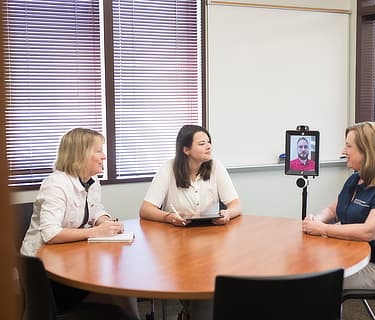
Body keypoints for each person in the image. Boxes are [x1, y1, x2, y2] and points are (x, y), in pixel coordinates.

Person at [20, 128, 139, 319]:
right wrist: (96, 232)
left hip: (68, 258)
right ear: (81, 154)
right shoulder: (56, 185)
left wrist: (106, 223)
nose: (104, 156)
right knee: (119, 289)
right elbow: (50, 234)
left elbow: (95, 210)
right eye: (98, 151)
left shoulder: (91, 181)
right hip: (46, 272)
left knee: (122, 285)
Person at [140, 124, 242, 320]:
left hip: (210, 240)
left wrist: (227, 213)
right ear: (185, 150)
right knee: (184, 279)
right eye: (202, 143)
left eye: (209, 142)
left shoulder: (215, 166)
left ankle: (191, 312)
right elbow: (146, 209)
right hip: (176, 242)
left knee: (210, 278)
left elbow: (236, 205)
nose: (209, 147)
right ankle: (189, 311)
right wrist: (168, 217)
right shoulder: (168, 168)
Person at [302, 121, 375, 290]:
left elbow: (370, 231)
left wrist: (323, 229)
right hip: (353, 255)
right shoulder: (356, 179)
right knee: (307, 264)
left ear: (368, 151)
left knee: (315, 282)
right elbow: (333, 210)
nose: (343, 151)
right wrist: (318, 219)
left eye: (349, 146)